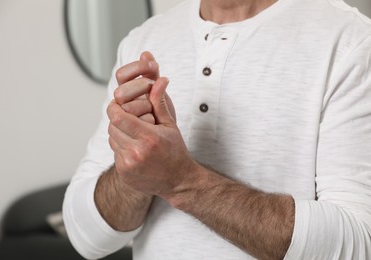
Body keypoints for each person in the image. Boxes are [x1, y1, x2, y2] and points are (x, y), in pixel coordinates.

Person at [62, 0, 371, 259]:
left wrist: (181, 180)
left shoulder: (350, 40)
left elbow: (360, 243)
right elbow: (87, 239)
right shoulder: (143, 41)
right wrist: (137, 170)